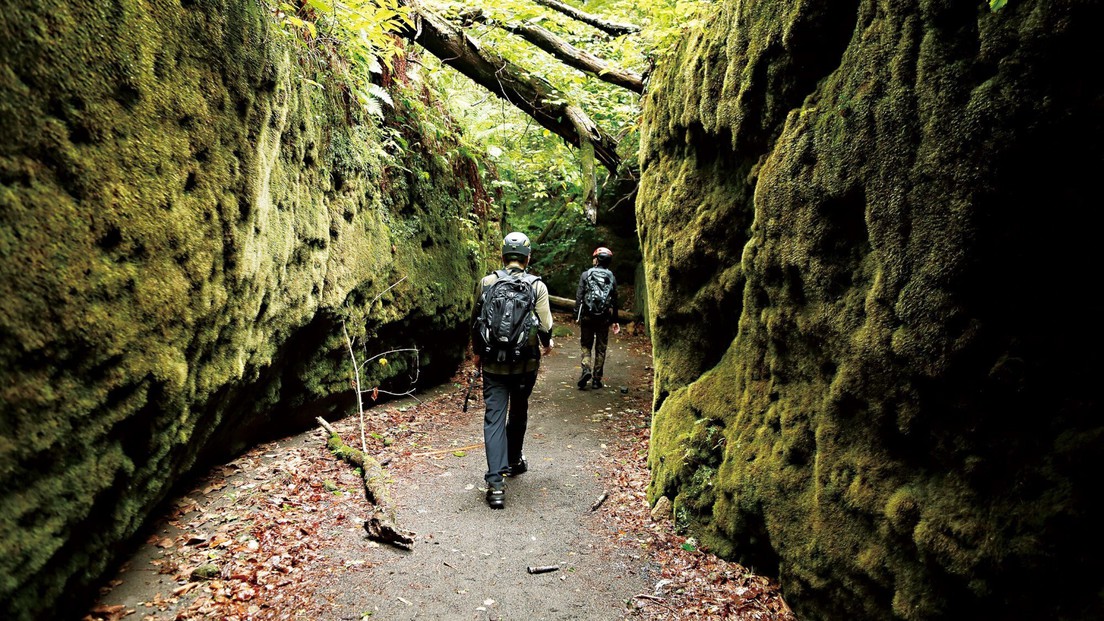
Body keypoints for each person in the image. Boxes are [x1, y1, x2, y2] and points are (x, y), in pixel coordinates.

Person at [470, 232, 554, 509]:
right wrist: (547, 342)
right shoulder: (537, 285)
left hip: (493, 362)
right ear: (527, 259)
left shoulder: (487, 282)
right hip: (525, 362)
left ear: (503, 256)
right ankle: (515, 460)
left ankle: (495, 485)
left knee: (494, 417)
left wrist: (477, 354)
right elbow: (545, 325)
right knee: (519, 409)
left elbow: (476, 321)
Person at [574, 246, 620, 390]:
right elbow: (615, 300)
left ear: (597, 259)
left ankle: (586, 369)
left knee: (586, 345)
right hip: (604, 318)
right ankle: (596, 379)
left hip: (587, 316)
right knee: (601, 348)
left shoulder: (586, 274)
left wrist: (577, 314)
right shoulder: (611, 277)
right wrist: (615, 320)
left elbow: (579, 296)